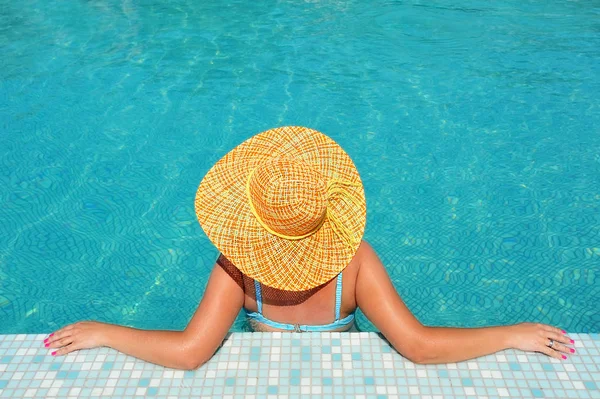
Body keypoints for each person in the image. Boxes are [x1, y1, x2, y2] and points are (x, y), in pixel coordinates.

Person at [44, 126, 575, 370]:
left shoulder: (237, 266)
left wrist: (106, 332)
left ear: (247, 220)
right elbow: (419, 346)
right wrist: (511, 334)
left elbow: (188, 354)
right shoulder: (355, 261)